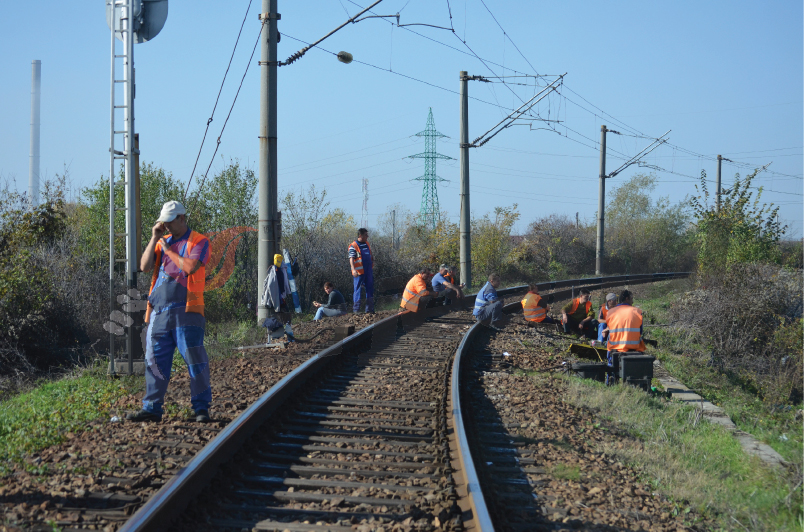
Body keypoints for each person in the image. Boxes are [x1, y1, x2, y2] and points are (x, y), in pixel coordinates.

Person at [127, 201, 211, 423]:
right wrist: (155, 238)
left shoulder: (200, 241)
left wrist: (168, 250)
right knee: (154, 360)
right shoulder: (161, 241)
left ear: (182, 218)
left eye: (170, 222)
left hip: (188, 311)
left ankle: (201, 409)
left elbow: (190, 267)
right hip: (159, 312)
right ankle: (152, 408)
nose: (167, 226)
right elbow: (144, 266)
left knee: (195, 359)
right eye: (163, 223)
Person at [604, 289, 645, 385]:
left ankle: (609, 382)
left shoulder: (611, 312)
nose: (632, 301)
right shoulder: (637, 311)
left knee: (610, 358)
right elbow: (641, 331)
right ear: (627, 299)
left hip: (615, 348)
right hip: (634, 348)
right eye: (631, 299)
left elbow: (610, 329)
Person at [349, 228, 374, 314]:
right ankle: (356, 310)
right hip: (359, 272)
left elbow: (370, 254)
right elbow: (351, 258)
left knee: (370, 289)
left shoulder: (367, 244)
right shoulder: (354, 245)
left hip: (368, 271)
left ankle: (370, 309)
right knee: (357, 290)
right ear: (360, 235)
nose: (367, 236)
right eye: (366, 235)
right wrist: (353, 269)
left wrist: (372, 261)